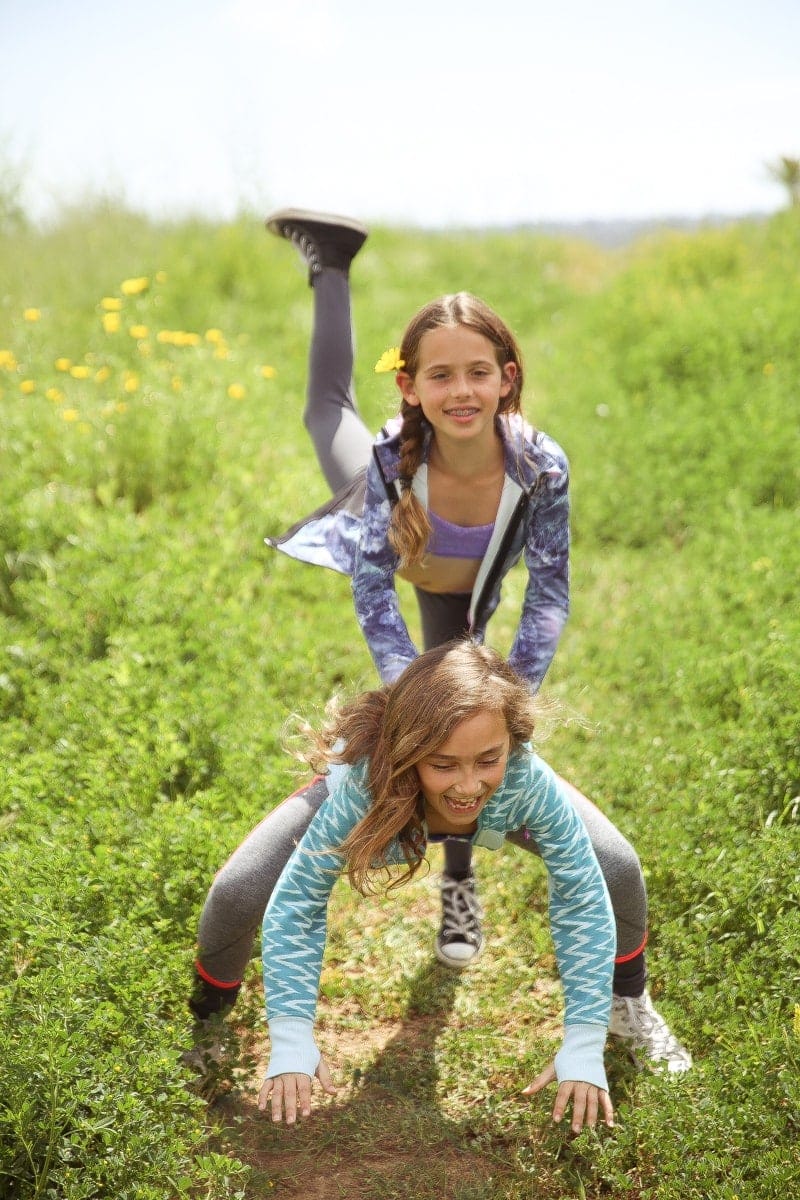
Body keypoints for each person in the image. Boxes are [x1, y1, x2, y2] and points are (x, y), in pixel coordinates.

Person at [211, 207, 689, 1072]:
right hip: (405, 566)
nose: (461, 391)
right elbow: (368, 587)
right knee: (327, 414)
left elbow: (548, 592)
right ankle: (331, 264)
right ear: (413, 386)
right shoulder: (393, 462)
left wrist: (505, 703)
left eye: (479, 373)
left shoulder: (540, 466)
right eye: (440, 376)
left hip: (470, 591)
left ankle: (462, 887)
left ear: (508, 379)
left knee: (472, 756)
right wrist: (412, 699)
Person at [237, 641, 620, 1131]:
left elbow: (582, 895)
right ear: (410, 753)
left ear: (512, 745)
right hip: (386, 803)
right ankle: (207, 1025)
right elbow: (299, 901)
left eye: (488, 758)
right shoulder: (363, 786)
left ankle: (627, 1008)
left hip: (496, 813)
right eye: (443, 764)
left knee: (619, 870)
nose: (466, 784)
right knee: (237, 890)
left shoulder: (524, 779)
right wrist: (291, 1035)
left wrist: (584, 1040)